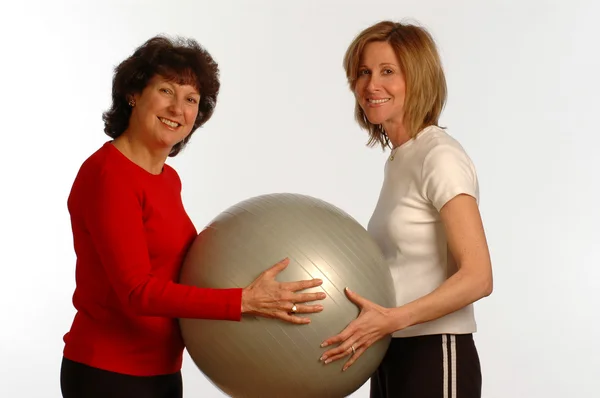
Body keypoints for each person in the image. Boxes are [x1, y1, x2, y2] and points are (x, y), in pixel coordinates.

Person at [59, 35, 326, 398]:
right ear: (134, 93)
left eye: (191, 100)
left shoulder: (167, 179)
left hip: (163, 370)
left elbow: (177, 273)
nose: (177, 109)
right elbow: (138, 292)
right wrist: (243, 301)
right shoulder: (110, 175)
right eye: (166, 91)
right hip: (109, 373)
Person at [319, 21, 494, 398]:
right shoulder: (401, 159)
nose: (371, 85)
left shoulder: (439, 155)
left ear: (417, 78)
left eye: (387, 71)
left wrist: (391, 320)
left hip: (435, 351)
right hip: (389, 350)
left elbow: (479, 276)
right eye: (364, 72)